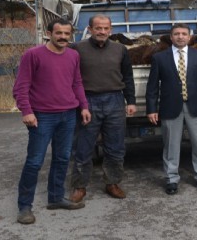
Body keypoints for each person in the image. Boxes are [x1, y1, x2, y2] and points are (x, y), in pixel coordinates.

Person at [13, 18, 92, 225]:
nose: (63, 37)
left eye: (67, 33)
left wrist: (83, 106)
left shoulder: (73, 55)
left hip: (68, 114)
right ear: (49, 33)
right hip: (42, 116)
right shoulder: (33, 55)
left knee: (62, 158)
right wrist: (26, 111)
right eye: (59, 33)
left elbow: (77, 83)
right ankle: (24, 206)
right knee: (34, 161)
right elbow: (21, 86)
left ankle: (56, 198)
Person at [69, 15, 137, 203]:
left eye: (105, 28)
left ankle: (112, 183)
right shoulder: (76, 48)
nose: (102, 31)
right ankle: (79, 186)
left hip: (115, 100)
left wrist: (130, 101)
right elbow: (71, 78)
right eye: (98, 28)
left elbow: (128, 77)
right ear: (90, 29)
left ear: (111, 29)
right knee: (83, 147)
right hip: (88, 101)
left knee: (115, 146)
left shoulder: (120, 49)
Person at [145, 23, 197, 194]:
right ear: (171, 37)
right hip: (170, 107)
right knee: (171, 144)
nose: (180, 36)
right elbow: (152, 86)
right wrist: (151, 109)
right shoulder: (159, 58)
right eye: (176, 34)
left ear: (189, 37)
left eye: (184, 33)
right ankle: (171, 179)